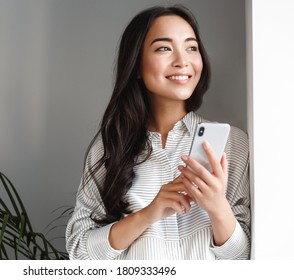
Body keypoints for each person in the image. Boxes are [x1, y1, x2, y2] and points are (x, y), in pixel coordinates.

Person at [65, 5, 250, 260]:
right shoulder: (110, 147)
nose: (182, 61)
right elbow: (80, 251)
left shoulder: (234, 144)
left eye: (191, 47)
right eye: (164, 48)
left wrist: (218, 207)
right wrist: (149, 213)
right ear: (137, 66)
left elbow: (245, 258)